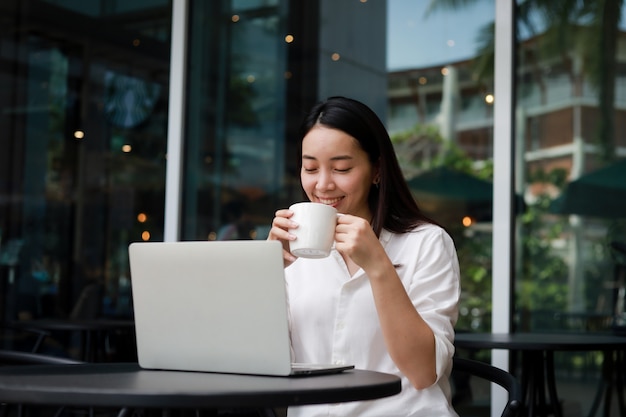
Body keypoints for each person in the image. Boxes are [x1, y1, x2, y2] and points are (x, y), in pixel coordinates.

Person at [268, 96, 461, 417]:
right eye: (310, 167)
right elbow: (266, 365)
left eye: (342, 168)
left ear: (377, 170)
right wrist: (265, 273)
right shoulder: (291, 251)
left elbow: (423, 373)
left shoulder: (426, 243)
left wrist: (378, 265)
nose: (323, 184)